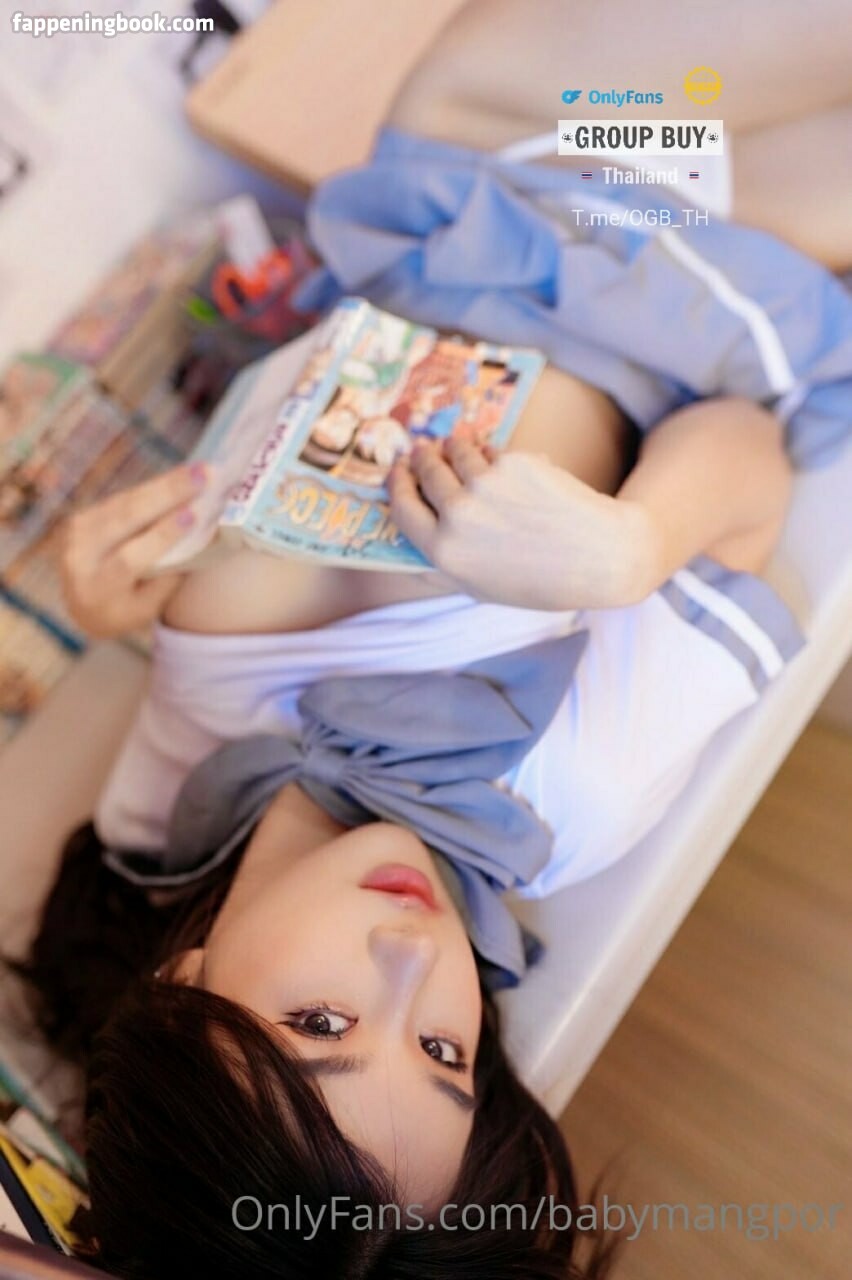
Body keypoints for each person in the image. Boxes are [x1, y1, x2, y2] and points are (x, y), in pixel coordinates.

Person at [12, 3, 852, 1276]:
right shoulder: (562, 788)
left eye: (322, 1021)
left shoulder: (164, 833)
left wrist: (106, 605)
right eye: (445, 1051)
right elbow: (743, 453)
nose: (413, 959)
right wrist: (631, 545)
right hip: (679, 265)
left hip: (453, 173)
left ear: (179, 986)